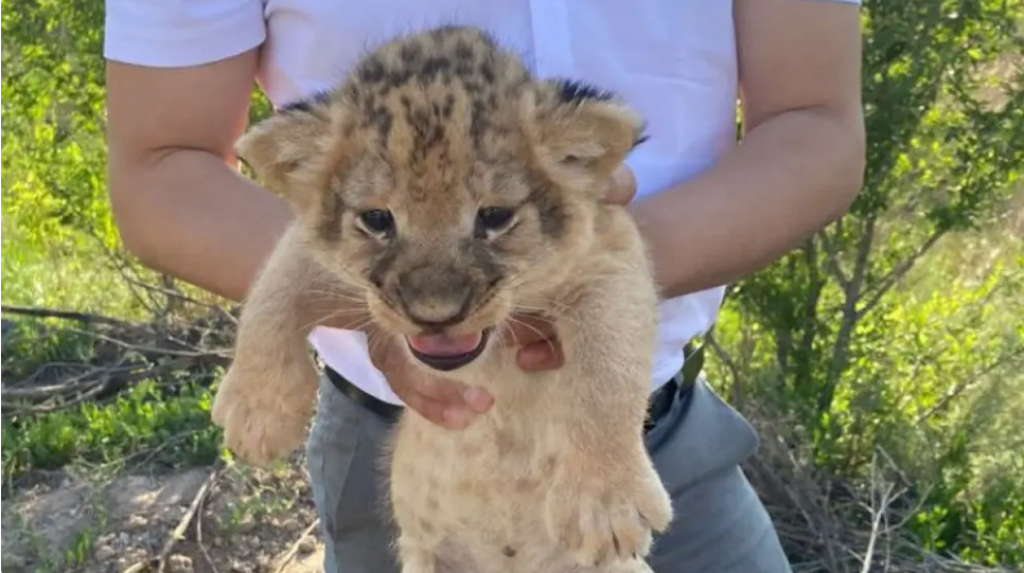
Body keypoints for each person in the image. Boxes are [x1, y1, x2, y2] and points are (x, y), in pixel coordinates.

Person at [102, 1, 866, 571]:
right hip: (401, 441)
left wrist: (596, 268)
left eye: (495, 217)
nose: (437, 301)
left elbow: (815, 124)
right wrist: (344, 316)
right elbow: (163, 167)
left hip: (646, 436)